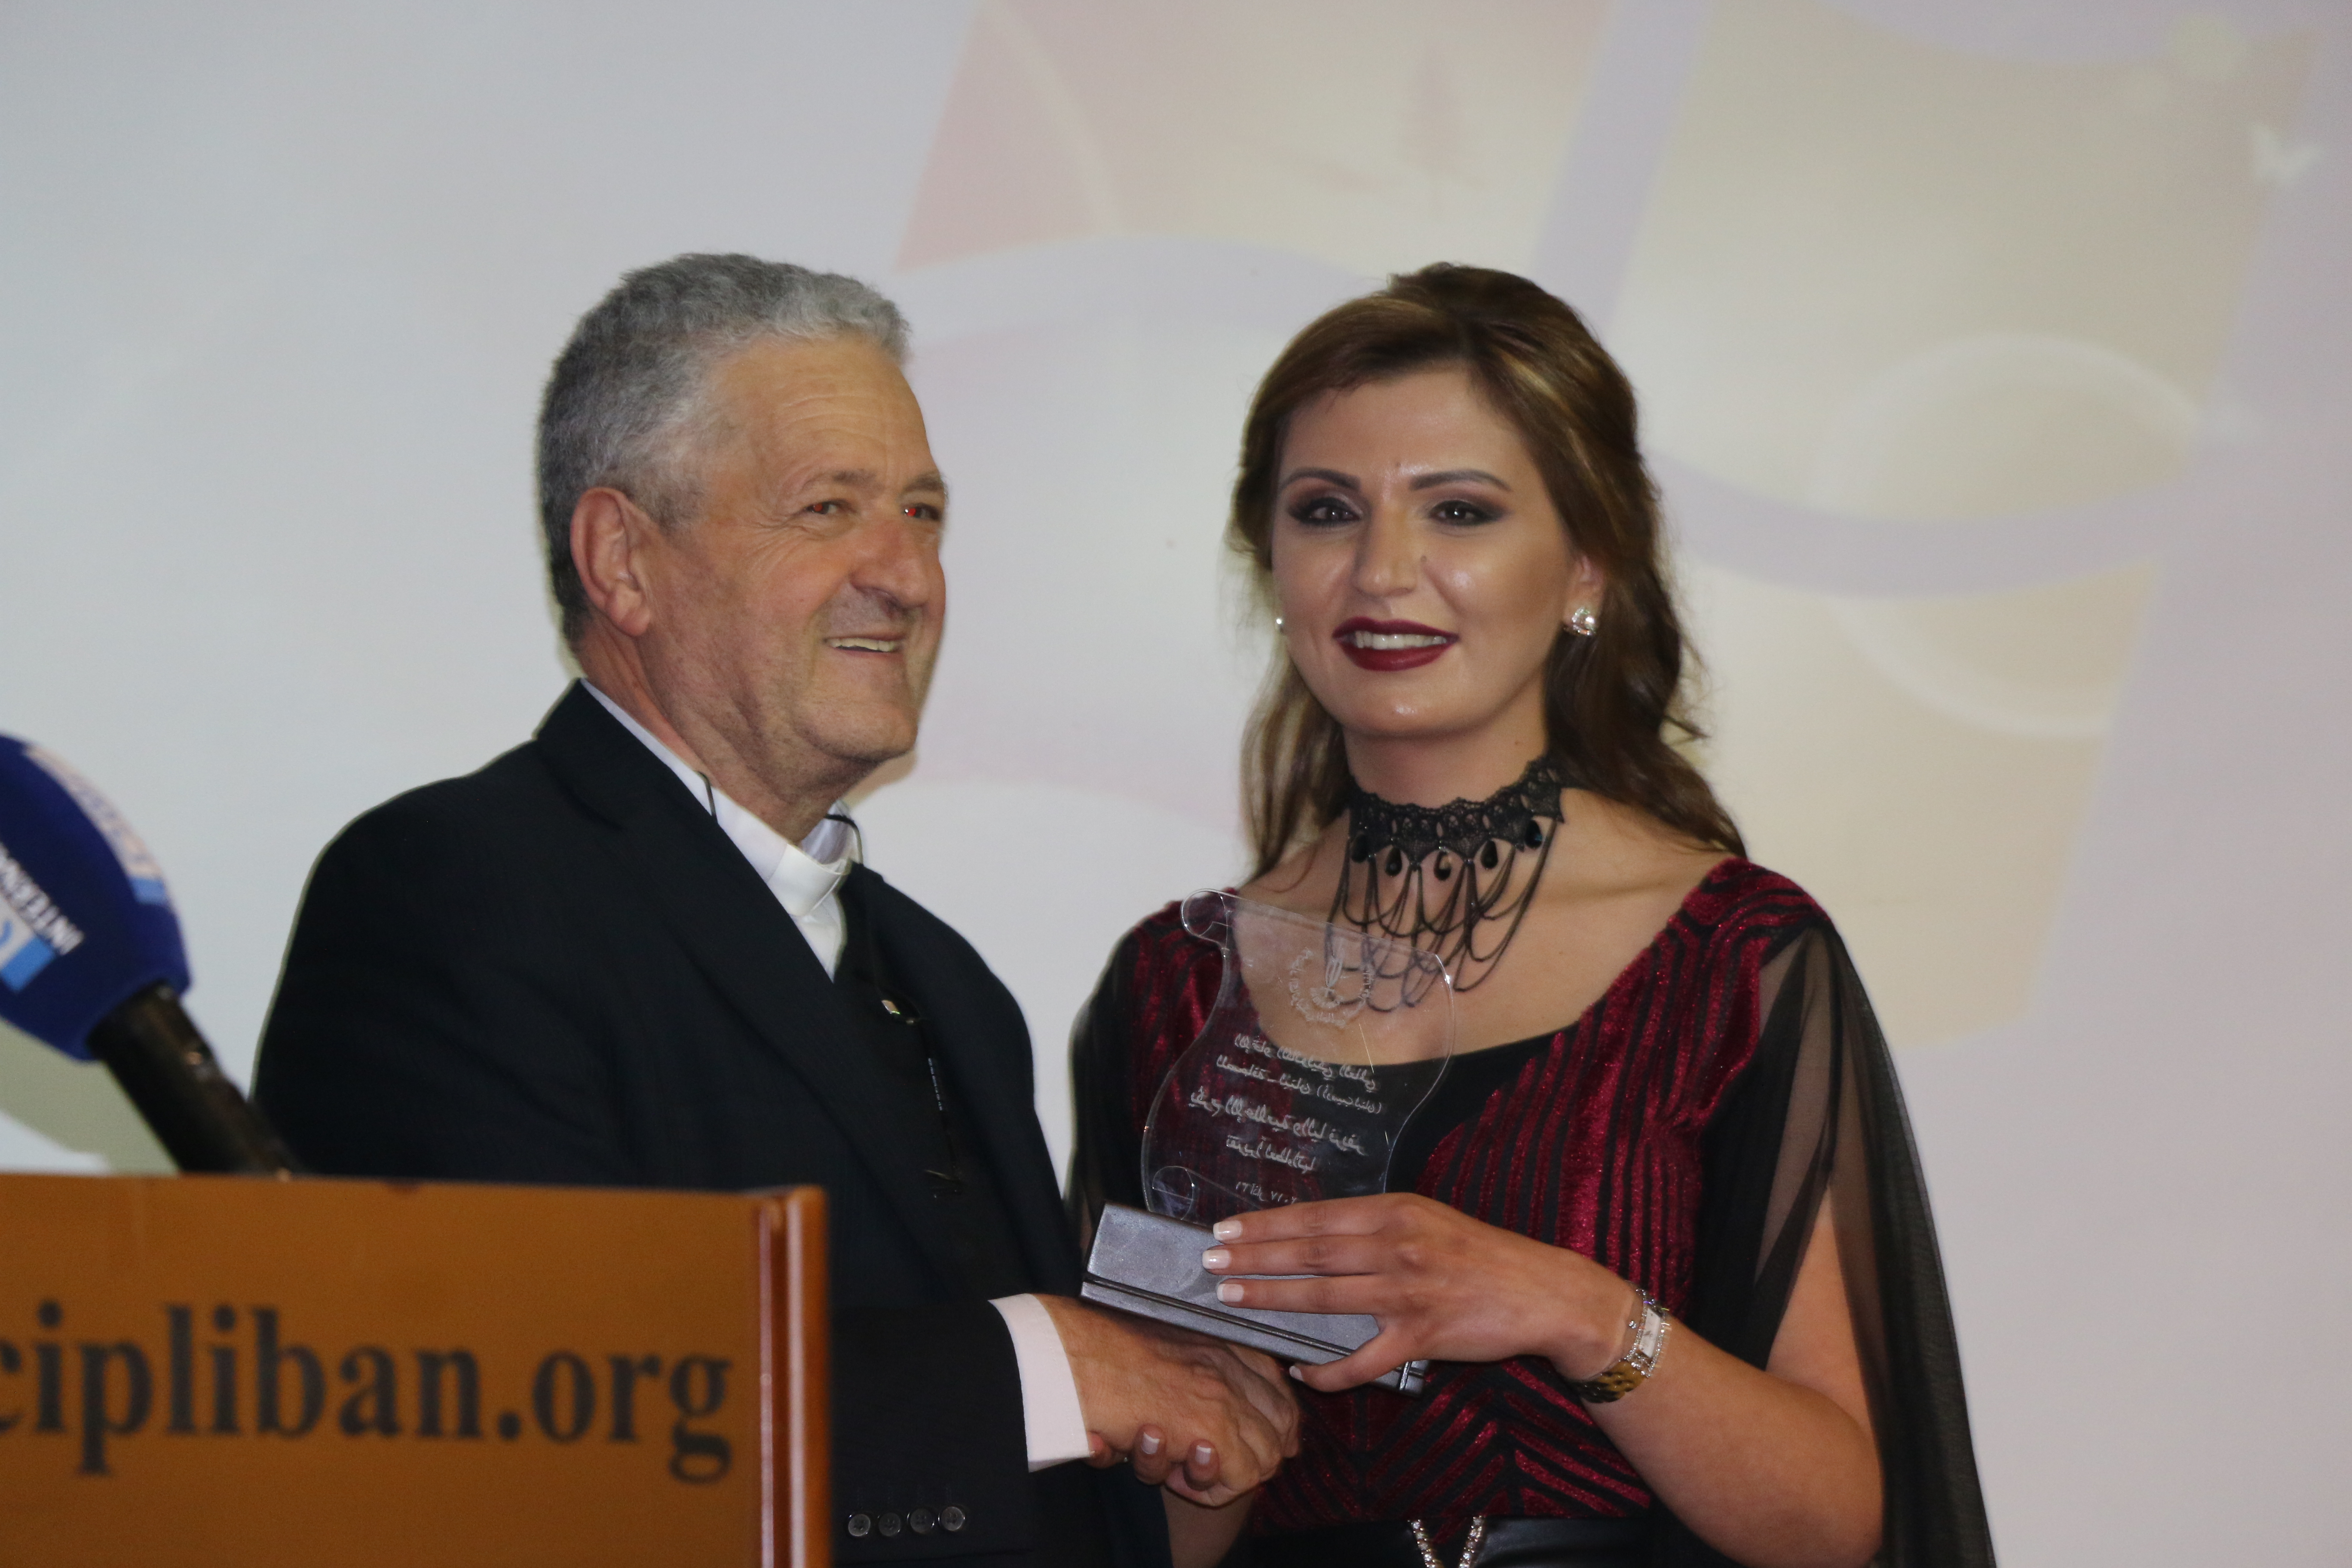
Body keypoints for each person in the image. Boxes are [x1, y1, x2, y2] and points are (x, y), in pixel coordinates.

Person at [254, 254, 1295, 1568]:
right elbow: (507, 1407)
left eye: (922, 513)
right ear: (624, 561)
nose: (905, 575)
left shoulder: (948, 982)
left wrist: (1203, 1408)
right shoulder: (451, 891)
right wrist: (1046, 1361)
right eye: (828, 508)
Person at [1068, 266, 1994, 1568]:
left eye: (1460, 510)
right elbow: (1152, 1539)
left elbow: (1837, 1521)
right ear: (1271, 564)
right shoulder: (1174, 981)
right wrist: (1215, 1422)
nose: (1384, 569)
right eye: (1327, 511)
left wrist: (1575, 1312)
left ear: (1586, 567)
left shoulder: (1733, 955)